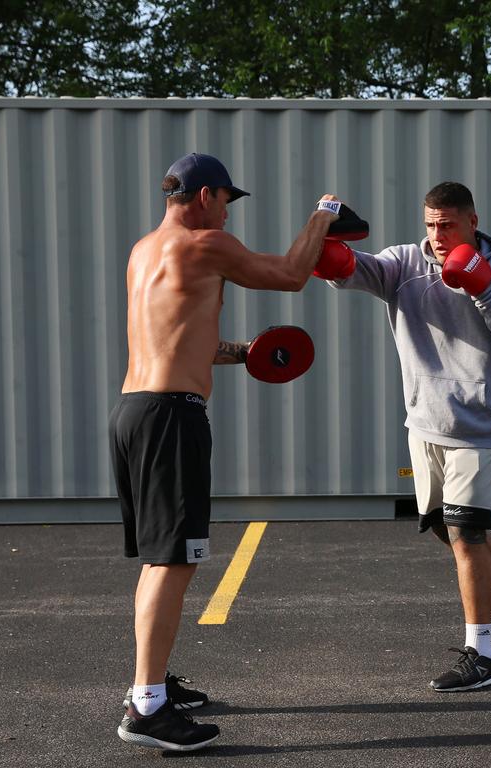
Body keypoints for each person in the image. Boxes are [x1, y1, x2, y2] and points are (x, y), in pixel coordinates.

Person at [109, 152, 341, 751]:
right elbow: (292, 273)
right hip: (170, 419)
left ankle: (151, 684)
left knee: (158, 560)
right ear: (206, 196)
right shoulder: (205, 244)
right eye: (226, 203)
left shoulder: (142, 252)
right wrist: (325, 213)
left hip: (134, 411)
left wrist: (249, 353)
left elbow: (180, 339)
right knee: (174, 562)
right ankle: (147, 709)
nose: (227, 215)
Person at [319, 181, 491, 692]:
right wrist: (325, 244)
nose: (437, 236)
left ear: (472, 220)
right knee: (451, 528)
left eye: (447, 224)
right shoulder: (404, 264)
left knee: (466, 534)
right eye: (430, 224)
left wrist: (482, 286)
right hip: (424, 422)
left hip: (478, 425)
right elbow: (347, 268)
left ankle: (482, 655)